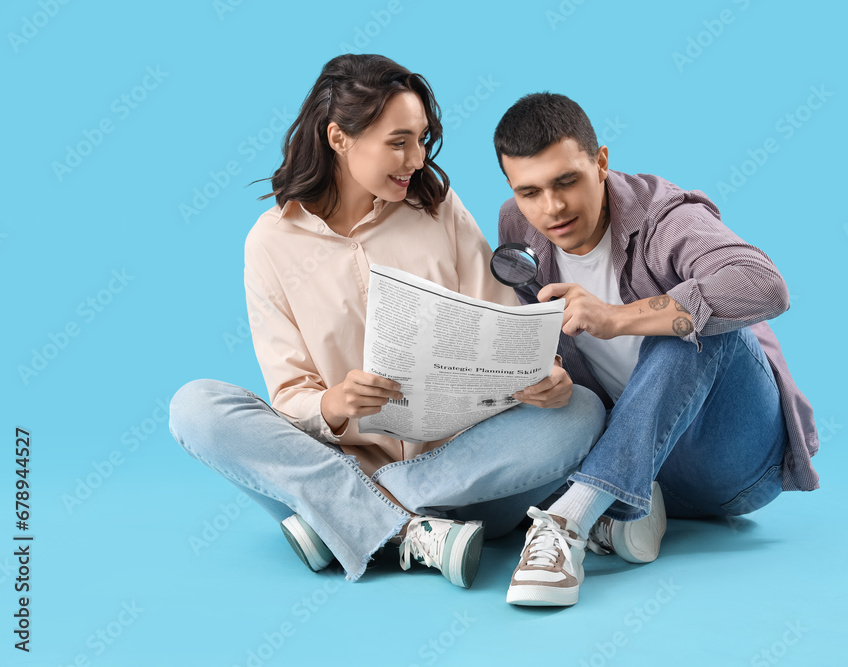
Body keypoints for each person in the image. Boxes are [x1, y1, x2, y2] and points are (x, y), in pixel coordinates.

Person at [168, 57, 605, 587]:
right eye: (399, 142)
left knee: (580, 409)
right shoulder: (270, 242)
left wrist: (541, 377)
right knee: (196, 407)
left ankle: (347, 519)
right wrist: (332, 405)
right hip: (337, 456)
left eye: (422, 140)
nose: (417, 159)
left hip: (467, 475)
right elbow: (290, 392)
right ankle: (405, 530)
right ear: (339, 138)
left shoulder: (437, 207)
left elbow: (502, 325)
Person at [493, 93, 820, 606]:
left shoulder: (664, 216)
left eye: (567, 181)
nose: (551, 208)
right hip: (642, 467)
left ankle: (569, 521)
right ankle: (623, 515)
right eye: (529, 191)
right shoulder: (518, 226)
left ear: (601, 162)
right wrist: (551, 374)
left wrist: (618, 317)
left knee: (688, 329)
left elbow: (765, 285)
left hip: (731, 461)